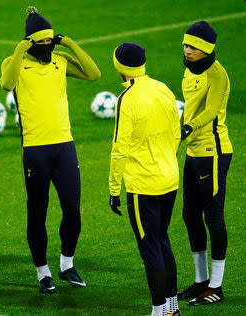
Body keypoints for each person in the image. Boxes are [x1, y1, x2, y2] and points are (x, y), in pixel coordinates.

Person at [0, 6, 100, 294]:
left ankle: (66, 264)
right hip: (35, 150)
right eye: (40, 41)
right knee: (37, 213)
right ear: (30, 41)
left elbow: (93, 74)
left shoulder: (60, 59)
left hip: (64, 146)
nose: (46, 45)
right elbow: (6, 84)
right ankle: (42, 272)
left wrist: (69, 43)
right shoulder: (13, 62)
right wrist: (21, 49)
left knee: (72, 211)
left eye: (49, 40)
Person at [108, 42, 181, 316]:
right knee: (162, 240)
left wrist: (114, 189)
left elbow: (119, 148)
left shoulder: (127, 99)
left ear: (120, 67)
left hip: (143, 186)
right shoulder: (163, 88)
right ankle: (172, 308)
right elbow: (176, 133)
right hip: (169, 179)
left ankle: (158, 310)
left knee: (150, 248)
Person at [177, 21, 233, 306]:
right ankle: (201, 281)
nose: (187, 51)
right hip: (194, 152)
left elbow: (210, 110)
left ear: (207, 49)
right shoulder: (189, 71)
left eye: (194, 47)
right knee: (190, 215)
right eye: (186, 45)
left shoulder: (217, 74)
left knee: (213, 217)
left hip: (214, 152)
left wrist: (189, 127)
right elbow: (189, 107)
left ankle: (217, 286)